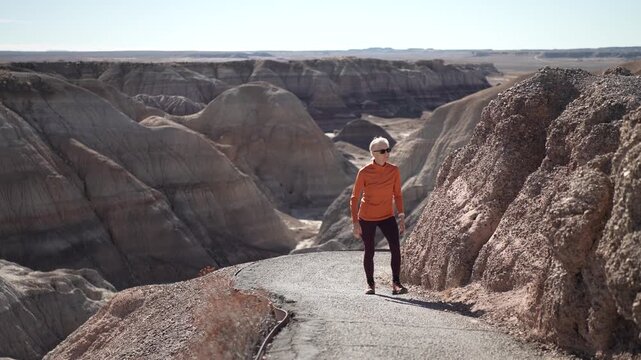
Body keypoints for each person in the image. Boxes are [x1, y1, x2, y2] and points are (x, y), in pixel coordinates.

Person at [350, 136, 408, 295]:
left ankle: (396, 284)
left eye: (388, 150)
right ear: (373, 153)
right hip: (367, 217)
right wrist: (355, 222)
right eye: (383, 151)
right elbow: (354, 197)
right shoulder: (364, 172)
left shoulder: (394, 170)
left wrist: (401, 216)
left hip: (387, 216)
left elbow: (398, 195)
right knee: (369, 251)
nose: (387, 153)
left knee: (396, 248)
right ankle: (370, 284)